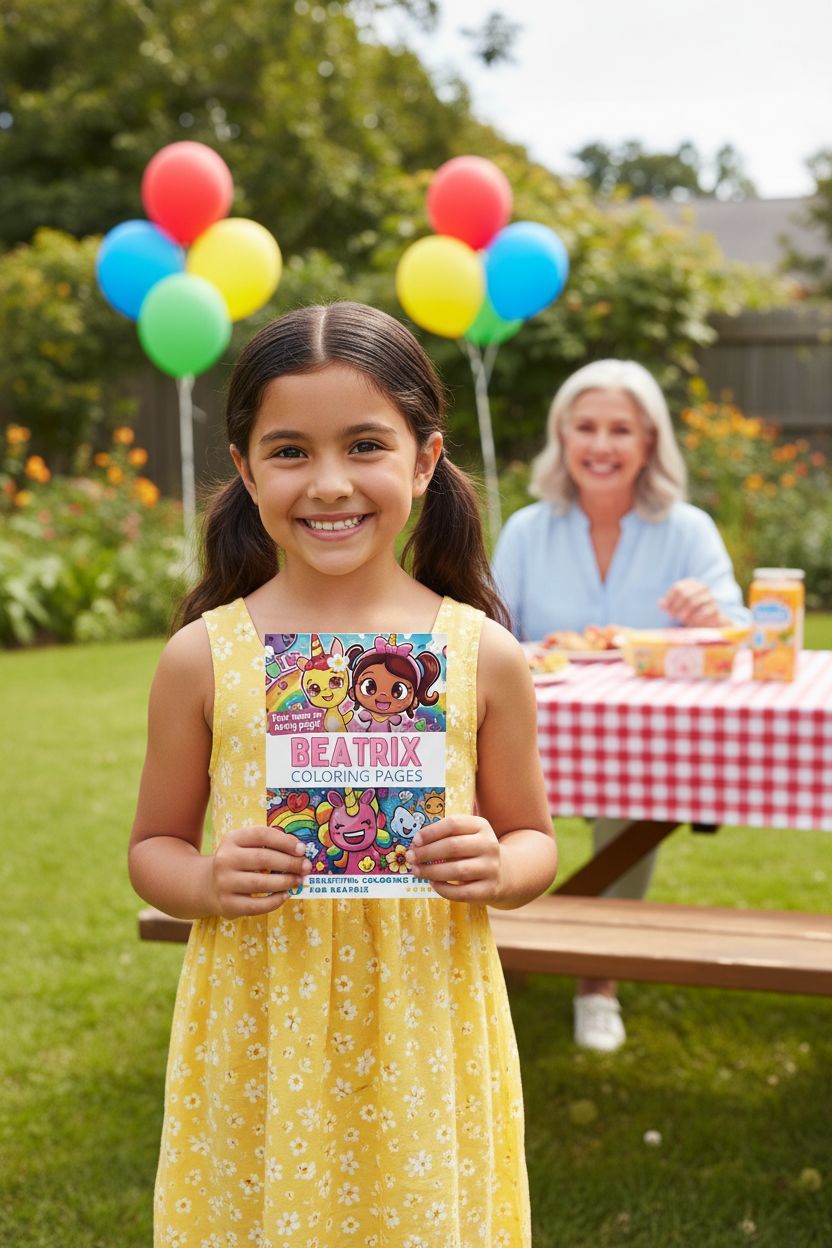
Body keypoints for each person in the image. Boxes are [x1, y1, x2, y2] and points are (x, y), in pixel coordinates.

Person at [129, 301, 557, 1248]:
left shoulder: (482, 653)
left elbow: (534, 841)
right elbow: (152, 846)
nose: (329, 484)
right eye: (289, 452)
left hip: (425, 1017)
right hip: (259, 1019)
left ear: (425, 458)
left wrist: (500, 862)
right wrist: (202, 879)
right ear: (244, 470)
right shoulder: (205, 657)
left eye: (365, 444)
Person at [492, 358, 749, 1054]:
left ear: (648, 443)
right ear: (563, 437)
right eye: (586, 427)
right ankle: (487, 962)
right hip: (531, 728)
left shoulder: (688, 530)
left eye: (620, 429)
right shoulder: (526, 530)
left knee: (634, 806)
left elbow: (738, 638)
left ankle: (597, 980)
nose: (601, 444)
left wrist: (709, 620)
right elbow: (490, 632)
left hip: (641, 741)